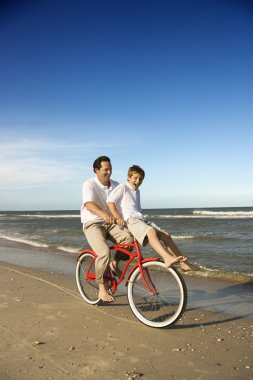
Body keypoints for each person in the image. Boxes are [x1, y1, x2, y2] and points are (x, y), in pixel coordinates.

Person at [107, 165, 200, 271]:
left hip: (140, 219)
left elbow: (137, 211)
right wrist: (118, 217)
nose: (138, 181)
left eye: (141, 179)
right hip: (130, 220)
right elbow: (110, 202)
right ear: (129, 177)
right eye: (135, 178)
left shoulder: (137, 191)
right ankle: (167, 258)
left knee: (166, 236)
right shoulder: (123, 187)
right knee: (151, 232)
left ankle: (184, 264)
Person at [81, 156, 134, 303]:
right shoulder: (89, 184)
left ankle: (114, 264)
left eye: (110, 169)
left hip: (110, 223)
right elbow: (89, 204)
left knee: (129, 238)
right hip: (93, 223)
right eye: (106, 169)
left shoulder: (116, 185)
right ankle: (102, 289)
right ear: (96, 170)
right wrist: (104, 214)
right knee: (103, 252)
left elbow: (124, 206)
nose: (109, 172)